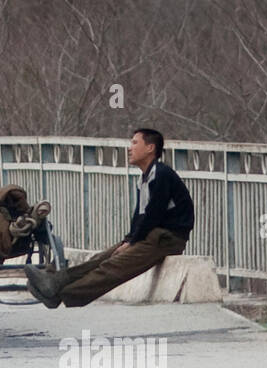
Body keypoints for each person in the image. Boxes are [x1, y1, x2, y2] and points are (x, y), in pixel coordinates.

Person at [25, 128, 193, 308]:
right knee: (102, 258)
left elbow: (154, 214)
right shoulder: (145, 177)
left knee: (112, 267)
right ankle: (55, 282)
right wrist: (128, 239)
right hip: (152, 235)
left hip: (166, 238)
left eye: (135, 143)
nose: (130, 148)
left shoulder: (161, 174)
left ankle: (59, 295)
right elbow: (140, 214)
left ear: (150, 148)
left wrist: (133, 241)